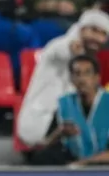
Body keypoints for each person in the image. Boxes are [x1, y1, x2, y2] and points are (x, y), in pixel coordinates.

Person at [18, 9, 109, 146]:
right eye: (93, 30)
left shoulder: (91, 58)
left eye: (103, 34)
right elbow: (62, 51)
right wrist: (71, 46)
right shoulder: (58, 46)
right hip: (46, 122)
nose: (97, 37)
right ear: (81, 29)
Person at [35, 55, 109, 166]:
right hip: (74, 162)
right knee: (42, 157)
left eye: (87, 73)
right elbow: (45, 144)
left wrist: (85, 163)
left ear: (97, 78)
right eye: (77, 74)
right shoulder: (65, 104)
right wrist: (59, 132)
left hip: (102, 166)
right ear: (71, 79)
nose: (82, 79)